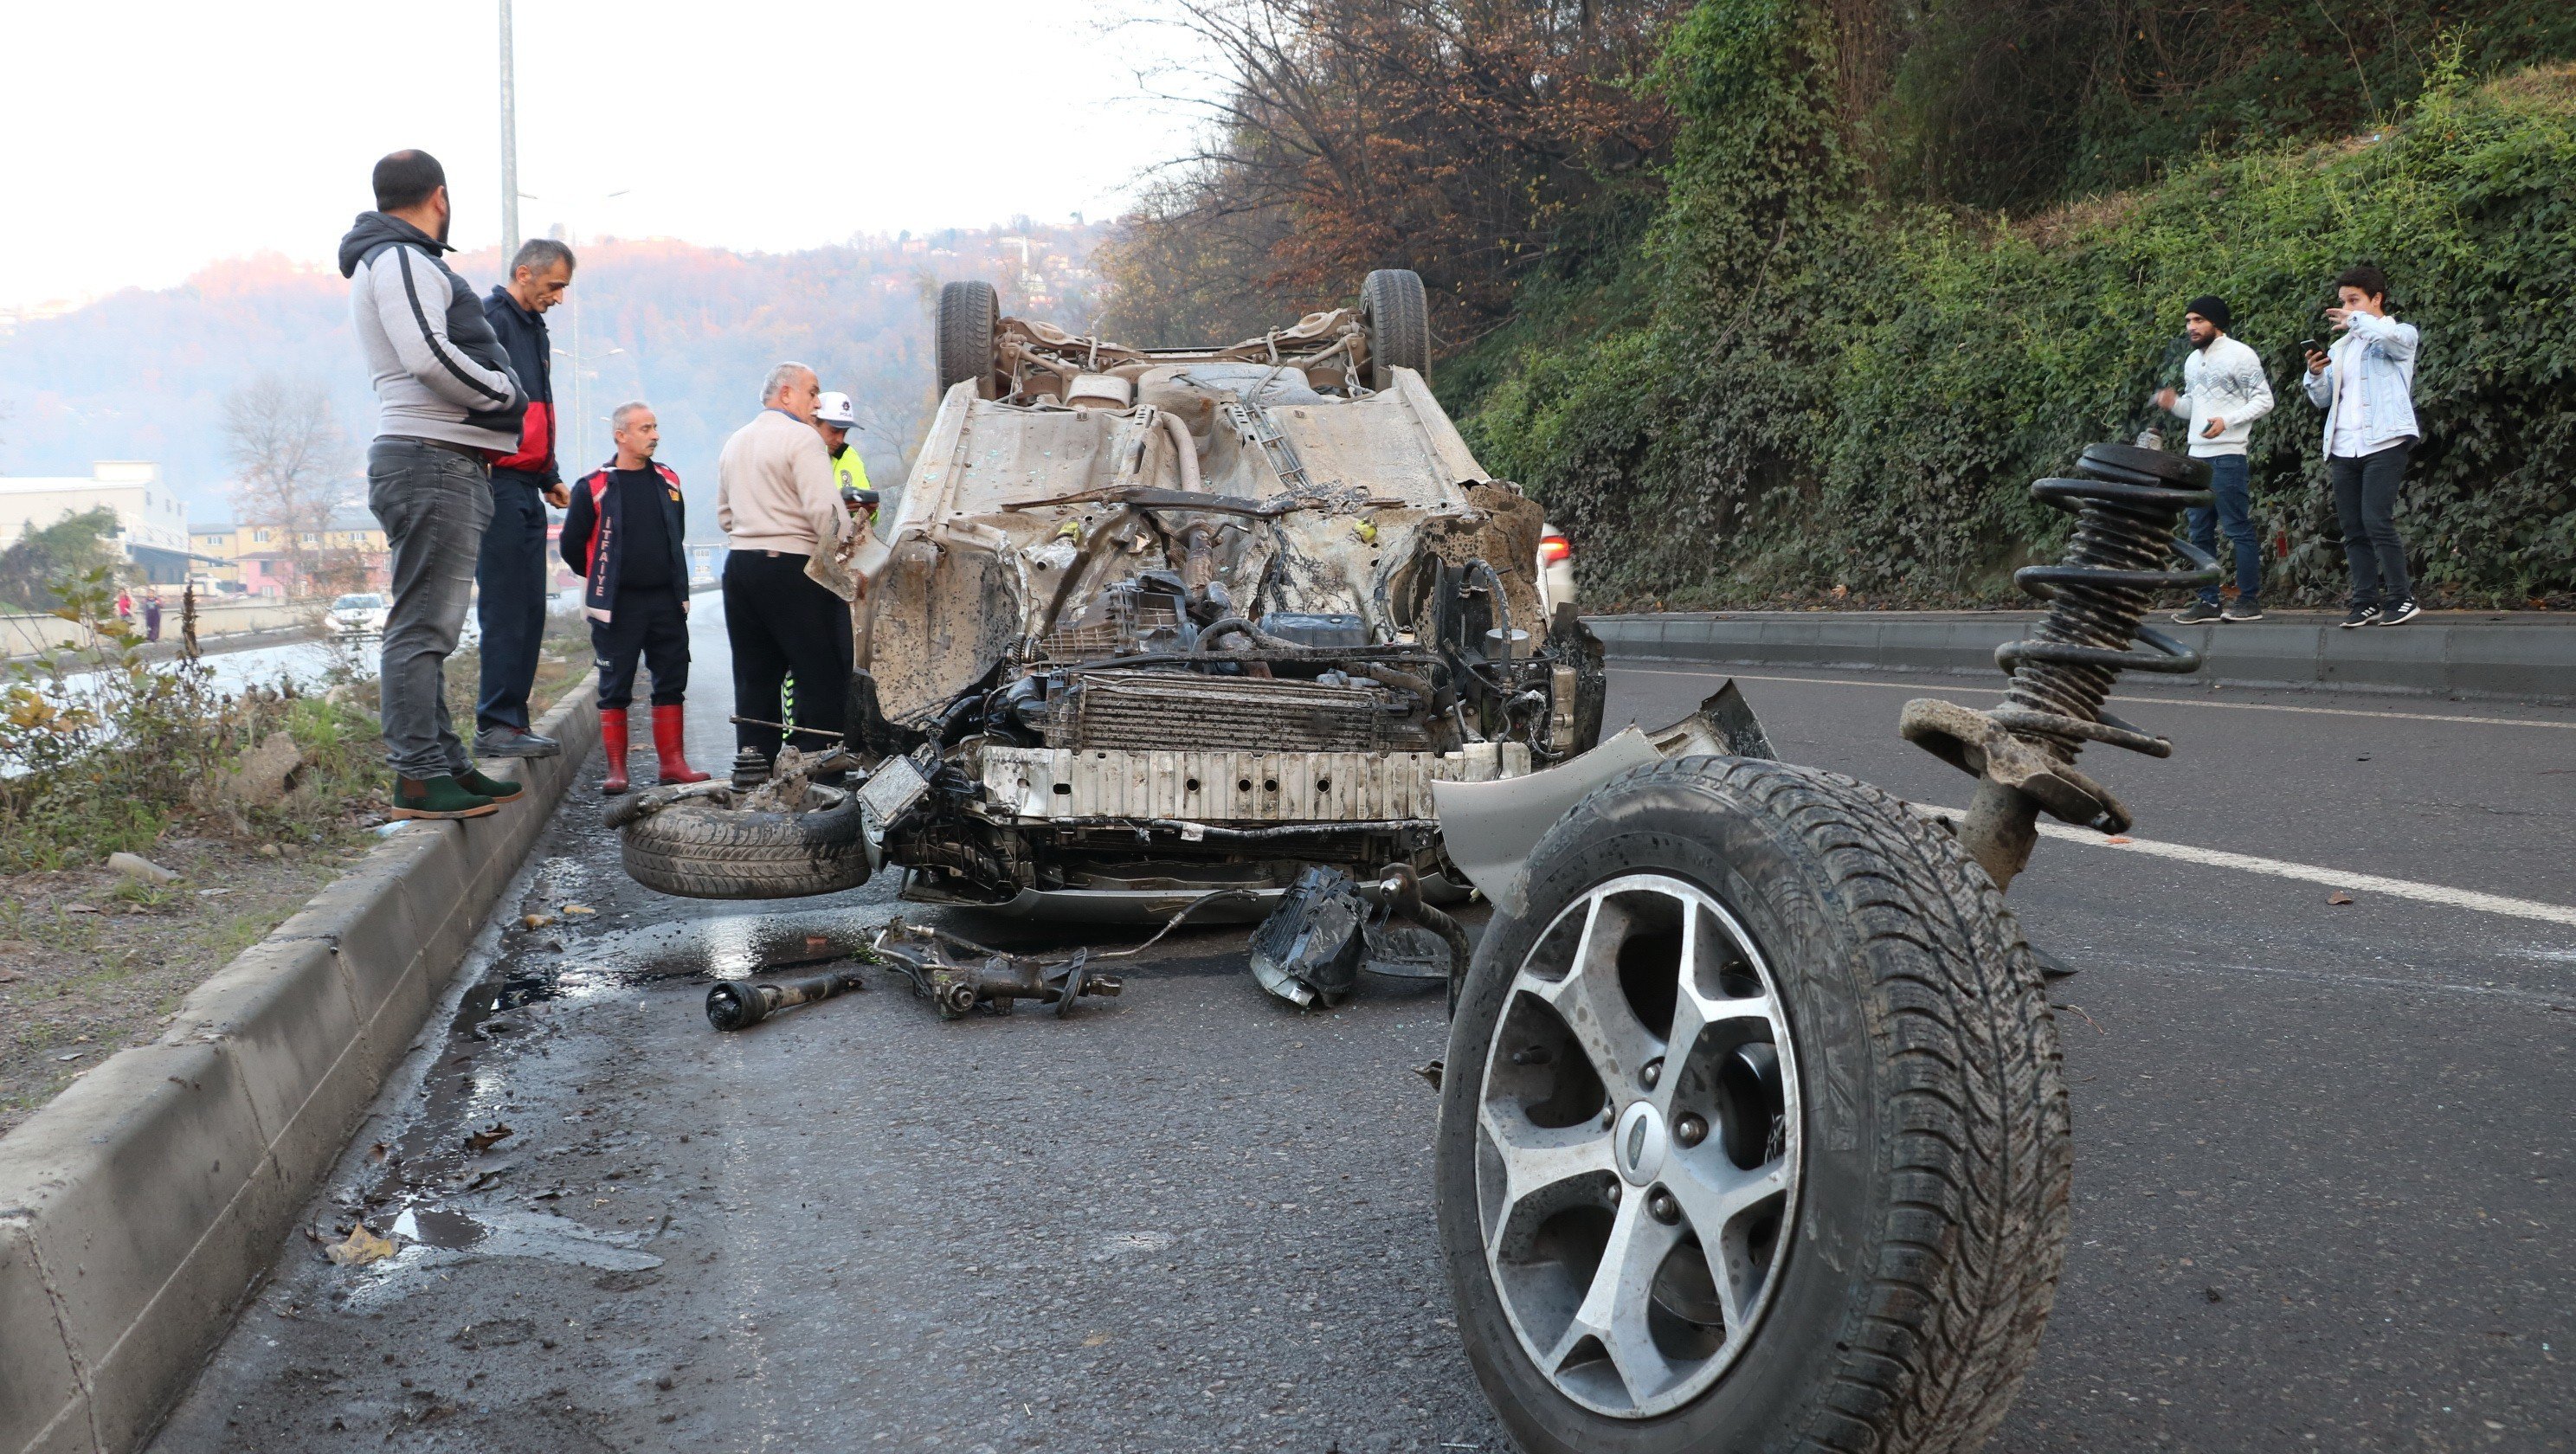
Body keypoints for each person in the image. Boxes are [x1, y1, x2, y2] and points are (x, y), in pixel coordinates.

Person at [338, 149, 531, 820]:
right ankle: (419, 776)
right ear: (440, 197)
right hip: (430, 460)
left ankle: (445, 763)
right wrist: (506, 394)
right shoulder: (400, 259)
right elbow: (426, 354)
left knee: (430, 625)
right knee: (422, 626)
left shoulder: (396, 259)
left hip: (439, 462)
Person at [562, 402, 709, 795]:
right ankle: (616, 771)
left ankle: (673, 765)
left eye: (656, 427)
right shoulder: (592, 487)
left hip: (665, 600)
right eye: (645, 428)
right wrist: (601, 577)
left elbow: (674, 535)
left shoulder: (669, 481)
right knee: (615, 685)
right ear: (620, 436)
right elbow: (572, 547)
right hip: (617, 606)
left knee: (672, 679)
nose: (655, 435)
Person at [716, 363, 853, 767]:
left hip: (740, 567)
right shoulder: (802, 439)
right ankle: (818, 761)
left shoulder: (735, 441)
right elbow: (825, 514)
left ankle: (753, 759)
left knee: (754, 672)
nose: (816, 404)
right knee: (820, 667)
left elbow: (724, 515)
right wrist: (847, 546)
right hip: (793, 566)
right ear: (787, 394)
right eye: (813, 393)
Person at [473, 237, 576, 759]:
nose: (559, 296)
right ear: (523, 272)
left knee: (531, 607)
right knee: (506, 606)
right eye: (554, 285)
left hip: (523, 482)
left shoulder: (534, 328)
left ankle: (512, 720)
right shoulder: (490, 319)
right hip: (494, 482)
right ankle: (495, 724)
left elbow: (534, 414)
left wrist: (547, 474)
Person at [2304, 264, 2422, 627]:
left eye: (2354, 300)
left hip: (2384, 440)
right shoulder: (2340, 347)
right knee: (2353, 528)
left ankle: (2402, 598)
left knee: (2377, 521)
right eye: (2343, 301)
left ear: (2377, 299)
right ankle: (2365, 601)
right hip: (2343, 446)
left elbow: (2394, 347)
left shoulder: (2399, 332)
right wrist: (2316, 373)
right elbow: (2324, 401)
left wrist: (2357, 321)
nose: (2346, 308)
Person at [2154, 294, 2273, 623]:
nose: (2191, 327)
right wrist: (2174, 403)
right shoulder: (2192, 361)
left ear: (2216, 323)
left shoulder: (2241, 355)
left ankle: (2249, 601)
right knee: (2199, 533)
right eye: (2189, 321)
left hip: (2228, 455)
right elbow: (2193, 408)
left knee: (2237, 529)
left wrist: (2227, 421)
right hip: (2195, 459)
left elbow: (2265, 400)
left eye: (2198, 320)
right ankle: (2208, 602)